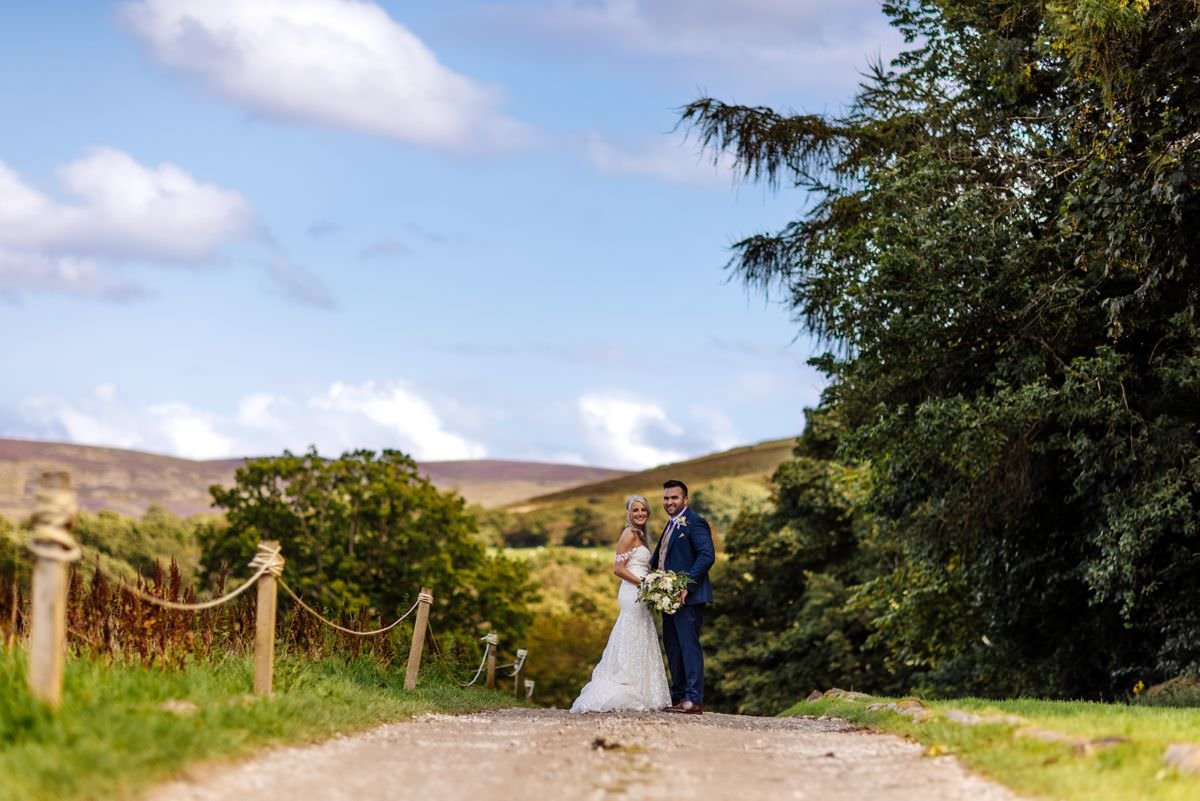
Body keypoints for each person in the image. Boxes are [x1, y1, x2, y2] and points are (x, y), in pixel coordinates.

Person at [569, 495, 671, 713]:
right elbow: (618, 569)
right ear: (629, 513)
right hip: (632, 591)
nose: (640, 514)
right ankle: (625, 682)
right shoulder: (629, 534)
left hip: (642, 592)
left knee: (642, 631)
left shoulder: (642, 536)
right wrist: (644, 582)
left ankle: (643, 689)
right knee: (632, 629)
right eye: (635, 510)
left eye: (643, 510)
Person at [651, 479, 714, 715]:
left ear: (685, 500)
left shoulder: (695, 522)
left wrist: (685, 584)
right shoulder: (670, 525)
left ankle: (693, 699)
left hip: (689, 597)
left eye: (674, 498)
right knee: (673, 647)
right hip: (667, 599)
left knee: (688, 647)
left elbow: (706, 556)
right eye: (666, 498)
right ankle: (679, 698)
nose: (669, 502)